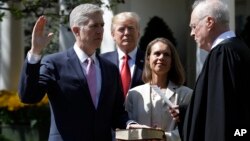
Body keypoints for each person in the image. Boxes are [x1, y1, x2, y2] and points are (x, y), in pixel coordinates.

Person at [18, 4, 133, 141]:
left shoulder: (110, 69)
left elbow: (116, 113)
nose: (100, 31)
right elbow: (29, 96)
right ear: (76, 30)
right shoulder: (54, 64)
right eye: (94, 26)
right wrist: (35, 53)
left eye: (101, 25)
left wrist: (130, 124)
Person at [182, 1, 250, 141]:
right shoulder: (240, 48)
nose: (192, 33)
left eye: (194, 26)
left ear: (209, 22)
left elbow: (220, 114)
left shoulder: (222, 54)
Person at [125, 37, 193, 141]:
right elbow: (127, 129)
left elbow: (190, 128)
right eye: (157, 53)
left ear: (172, 61)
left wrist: (163, 137)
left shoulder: (186, 94)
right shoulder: (134, 94)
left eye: (166, 54)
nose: (161, 57)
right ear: (148, 58)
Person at [101, 12, 145, 96]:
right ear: (113, 35)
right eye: (121, 29)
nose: (127, 33)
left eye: (131, 28)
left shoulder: (149, 60)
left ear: (138, 34)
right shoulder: (102, 61)